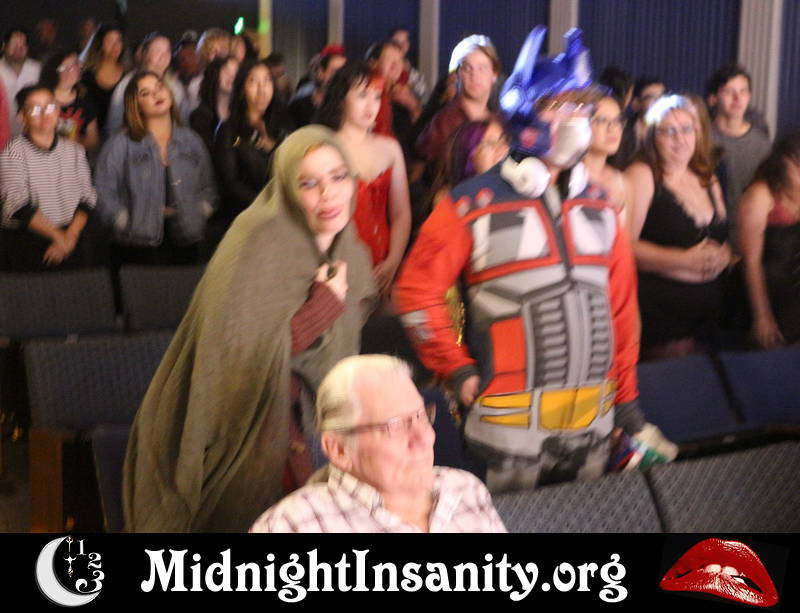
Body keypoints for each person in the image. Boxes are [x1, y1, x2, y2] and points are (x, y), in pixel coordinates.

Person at [395, 27, 666, 494]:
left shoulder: (601, 205)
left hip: (593, 424)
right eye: (559, 105)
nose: (575, 119)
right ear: (524, 113)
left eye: (581, 108)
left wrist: (626, 402)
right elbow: (415, 292)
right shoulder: (469, 203)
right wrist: (457, 370)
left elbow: (621, 313)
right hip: (506, 428)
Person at [123, 125, 377, 532]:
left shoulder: (350, 250)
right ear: (287, 188)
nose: (328, 194)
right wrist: (323, 306)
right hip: (239, 424)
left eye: (337, 177)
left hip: (314, 419)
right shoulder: (256, 240)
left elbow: (341, 358)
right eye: (309, 183)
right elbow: (237, 361)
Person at [251, 355, 506, 533]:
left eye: (421, 416)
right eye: (394, 426)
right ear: (339, 450)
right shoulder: (292, 526)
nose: (425, 438)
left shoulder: (465, 489)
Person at [626, 95, 731, 359]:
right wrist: (683, 260)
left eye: (686, 129)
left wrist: (724, 255)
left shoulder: (707, 176)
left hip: (711, 319)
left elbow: (724, 237)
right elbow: (624, 247)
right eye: (669, 131)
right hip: (664, 320)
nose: (680, 139)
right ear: (652, 136)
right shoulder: (642, 175)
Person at [94, 71, 216, 267]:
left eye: (160, 87)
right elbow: (103, 192)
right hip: (135, 244)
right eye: (145, 93)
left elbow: (208, 187)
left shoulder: (192, 140)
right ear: (136, 104)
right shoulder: (120, 144)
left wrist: (199, 214)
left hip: (186, 239)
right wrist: (124, 221)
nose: (156, 94)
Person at [317, 61, 411, 294]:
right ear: (341, 99)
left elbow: (401, 212)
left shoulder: (390, 148)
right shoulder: (325, 147)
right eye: (362, 95)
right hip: (338, 264)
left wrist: (394, 260)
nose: (371, 105)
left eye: (377, 97)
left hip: (385, 264)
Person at [0, 86, 95, 271]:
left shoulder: (75, 150)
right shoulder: (12, 152)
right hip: (28, 242)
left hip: (72, 237)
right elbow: (16, 204)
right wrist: (59, 237)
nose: (45, 114)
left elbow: (88, 197)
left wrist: (70, 238)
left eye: (50, 106)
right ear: (21, 117)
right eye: (35, 109)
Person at [738, 133, 800, 348]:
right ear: (781, 163)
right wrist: (762, 316)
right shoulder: (760, 195)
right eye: (798, 164)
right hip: (762, 292)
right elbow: (751, 261)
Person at [213, 58, 289, 226]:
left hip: (282, 218)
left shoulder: (282, 125)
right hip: (243, 218)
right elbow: (229, 183)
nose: (262, 89)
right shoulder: (228, 129)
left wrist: (272, 147)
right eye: (253, 81)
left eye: (267, 81)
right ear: (241, 89)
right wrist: (266, 207)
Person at [415, 35, 500, 182]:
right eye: (467, 68)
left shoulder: (498, 118)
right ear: (458, 75)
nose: (475, 76)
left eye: (482, 68)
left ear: (494, 74)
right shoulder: (444, 122)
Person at [706, 64, 771, 252]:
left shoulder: (762, 144)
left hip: (751, 234)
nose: (737, 98)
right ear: (713, 98)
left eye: (743, 91)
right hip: (709, 235)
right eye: (729, 91)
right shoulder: (700, 140)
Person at [105, 32, 188, 137]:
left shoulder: (175, 85)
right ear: (146, 54)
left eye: (167, 50)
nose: (164, 55)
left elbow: (184, 120)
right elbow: (114, 122)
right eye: (158, 50)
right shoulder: (129, 83)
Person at [585, 95, 633, 226]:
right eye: (601, 120)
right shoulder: (568, 179)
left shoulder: (624, 182)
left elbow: (627, 237)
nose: (613, 128)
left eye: (617, 121)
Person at [40, 50, 99, 156]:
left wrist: (75, 140)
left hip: (74, 160)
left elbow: (93, 141)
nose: (71, 71)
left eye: (75, 65)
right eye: (64, 68)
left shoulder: (85, 101)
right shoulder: (42, 99)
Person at [367, 40, 420, 141]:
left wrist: (413, 107)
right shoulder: (366, 92)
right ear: (373, 63)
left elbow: (420, 135)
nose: (396, 65)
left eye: (400, 60)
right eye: (389, 59)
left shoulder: (406, 91)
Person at [80, 23, 126, 134]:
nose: (115, 46)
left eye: (118, 41)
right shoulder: (87, 76)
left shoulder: (128, 75)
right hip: (92, 135)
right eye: (110, 41)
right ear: (100, 44)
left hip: (119, 135)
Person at [611, 76, 665, 170]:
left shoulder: (668, 133)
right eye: (652, 98)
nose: (660, 102)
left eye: (662, 97)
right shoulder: (621, 131)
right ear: (636, 104)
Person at [189, 56, 238, 152]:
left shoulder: (242, 112)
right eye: (226, 71)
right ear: (214, 74)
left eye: (236, 72)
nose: (232, 76)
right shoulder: (200, 116)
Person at [288, 48, 346, 129]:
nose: (341, 77)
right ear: (320, 73)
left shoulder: (347, 109)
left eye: (345, 72)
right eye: (335, 72)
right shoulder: (297, 108)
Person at [0, 28, 42, 136]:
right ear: (4, 46)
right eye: (14, 44)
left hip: (30, 132)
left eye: (22, 44)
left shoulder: (37, 69)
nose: (18, 48)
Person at [185, 28, 231, 112]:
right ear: (205, 54)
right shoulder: (195, 86)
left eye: (223, 49)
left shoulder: (238, 78)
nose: (218, 54)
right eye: (212, 50)